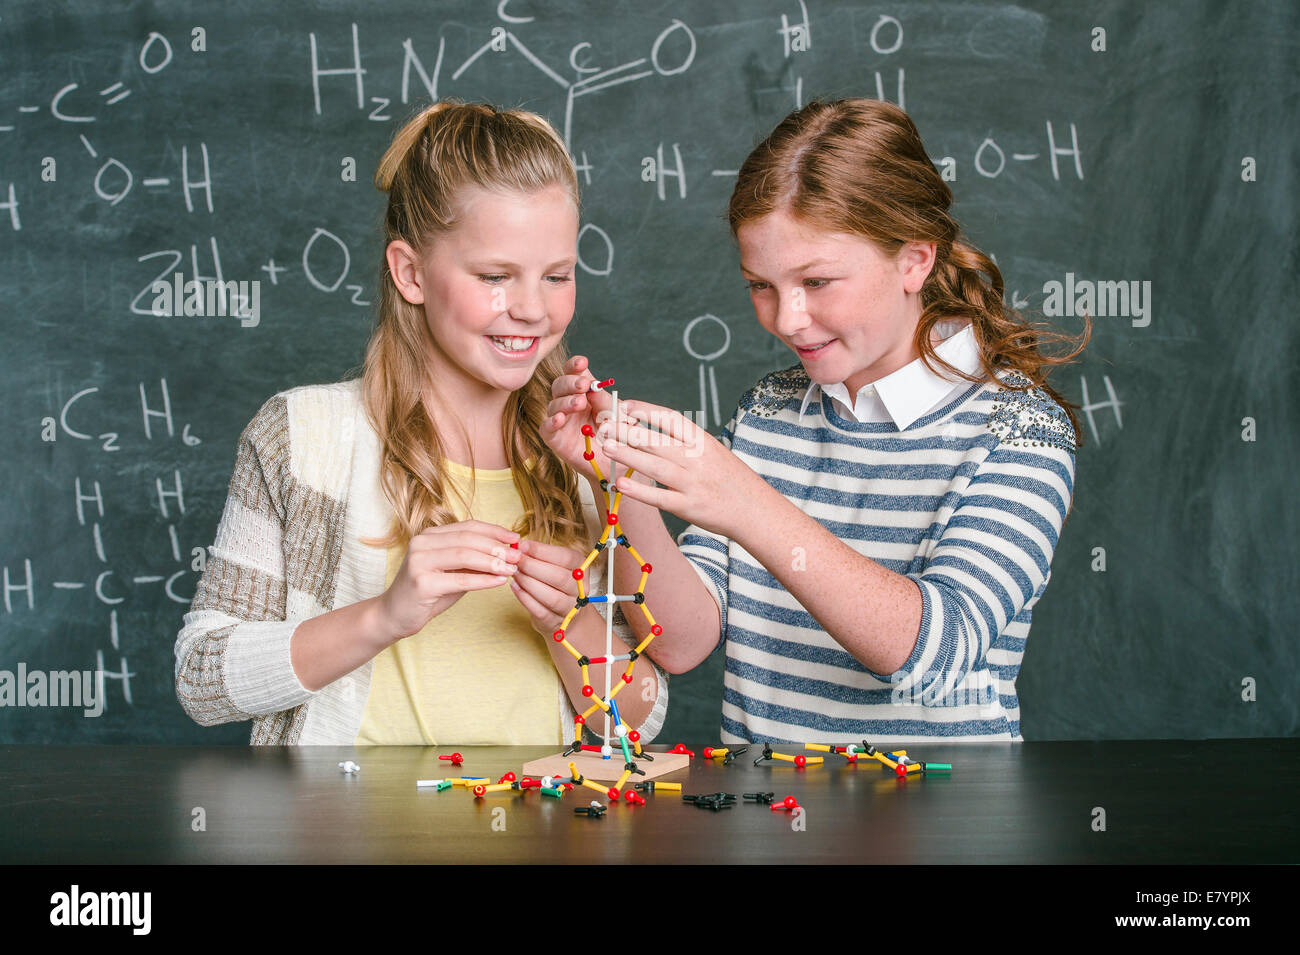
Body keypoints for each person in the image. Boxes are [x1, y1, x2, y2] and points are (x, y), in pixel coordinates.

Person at [543, 98, 1087, 745]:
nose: (787, 319)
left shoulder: (1022, 429)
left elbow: (933, 653)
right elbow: (683, 641)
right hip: (768, 825)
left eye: (819, 281)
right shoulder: (770, 410)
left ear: (914, 259)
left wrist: (748, 503)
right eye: (761, 285)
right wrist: (624, 484)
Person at [174, 101, 667, 745]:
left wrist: (568, 627)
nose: (531, 309)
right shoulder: (304, 436)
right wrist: (384, 616)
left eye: (557, 276)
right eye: (495, 276)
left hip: (544, 833)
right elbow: (201, 679)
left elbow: (641, 719)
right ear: (410, 273)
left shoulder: (577, 453)